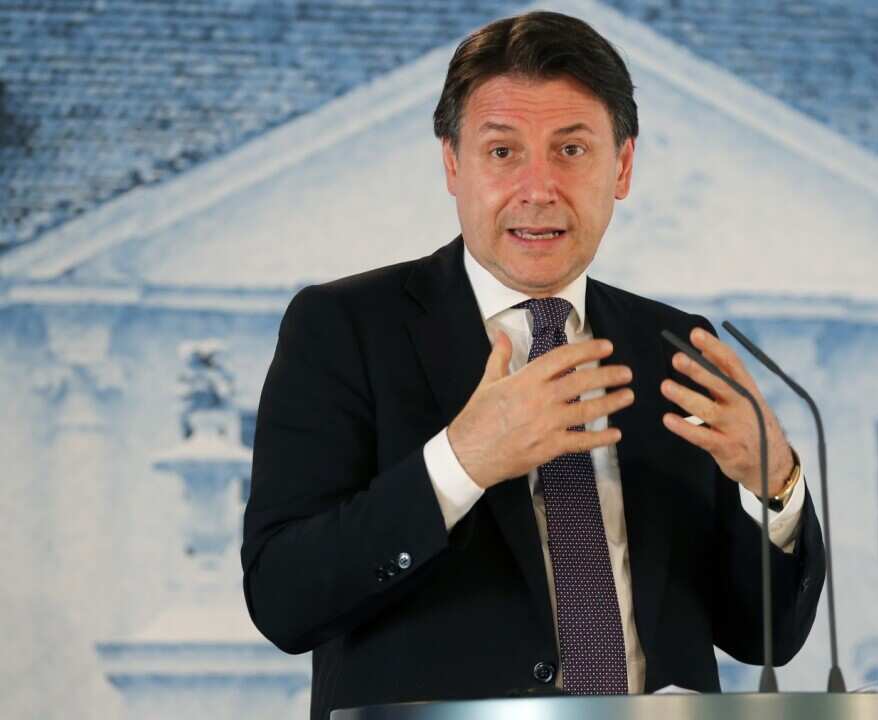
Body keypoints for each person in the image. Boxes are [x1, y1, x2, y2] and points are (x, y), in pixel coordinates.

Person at [241, 11, 824, 719]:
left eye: (572, 149)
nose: (539, 187)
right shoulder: (344, 329)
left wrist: (774, 487)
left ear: (624, 166)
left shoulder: (674, 345)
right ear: (453, 164)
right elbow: (283, 598)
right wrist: (462, 462)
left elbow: (766, 636)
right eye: (503, 153)